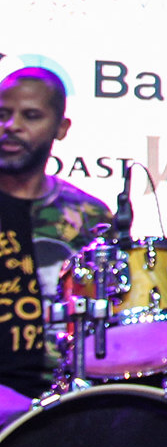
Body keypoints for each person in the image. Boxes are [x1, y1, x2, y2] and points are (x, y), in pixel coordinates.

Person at [0, 66, 112, 424]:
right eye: (2, 114)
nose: (11, 126)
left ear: (60, 129)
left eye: (30, 116)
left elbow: (109, 331)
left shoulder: (90, 216)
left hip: (64, 406)